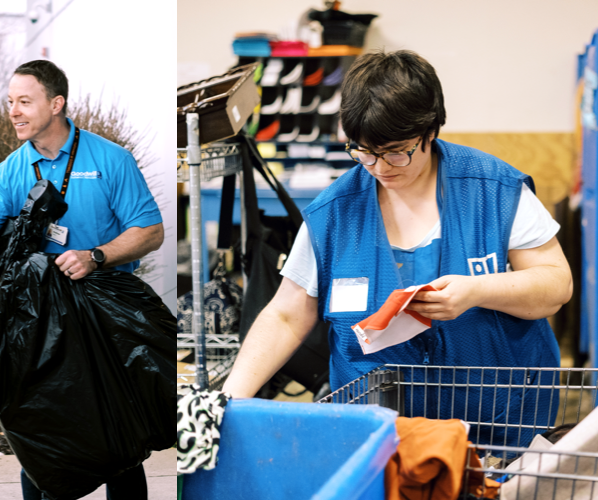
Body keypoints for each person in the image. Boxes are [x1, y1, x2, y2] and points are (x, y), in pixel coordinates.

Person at [222, 51, 572, 447]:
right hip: (380, 436)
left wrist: (478, 291)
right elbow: (287, 315)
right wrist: (227, 403)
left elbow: (555, 286)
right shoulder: (333, 213)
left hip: (496, 428)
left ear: (431, 130)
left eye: (396, 150)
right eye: (364, 151)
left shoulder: (493, 189)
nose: (380, 166)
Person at [0, 60, 164, 500]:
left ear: (56, 104)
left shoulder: (110, 159)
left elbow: (149, 231)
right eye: (9, 103)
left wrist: (97, 256)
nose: (13, 112)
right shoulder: (10, 171)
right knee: (39, 430)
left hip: (104, 317)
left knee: (117, 438)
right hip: (38, 321)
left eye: (24, 101)